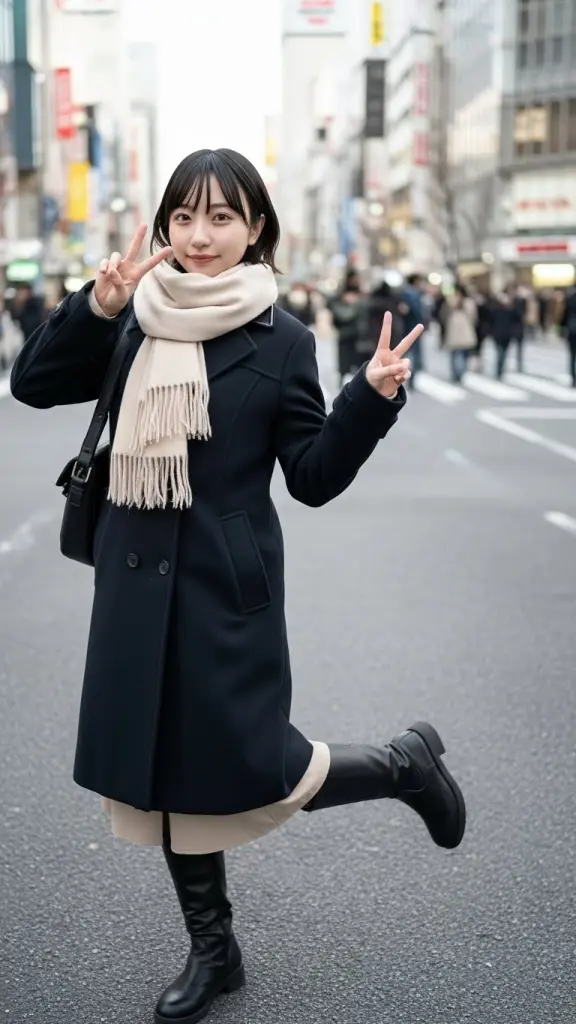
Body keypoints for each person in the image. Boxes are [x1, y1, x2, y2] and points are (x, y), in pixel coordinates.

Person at [10, 148, 466, 1024]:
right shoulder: (136, 317)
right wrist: (94, 307)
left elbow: (313, 475)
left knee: (259, 767)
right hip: (134, 585)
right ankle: (213, 949)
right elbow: (32, 385)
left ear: (256, 227)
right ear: (164, 227)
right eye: (183, 216)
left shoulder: (282, 340)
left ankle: (405, 765)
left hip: (224, 591)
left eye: (220, 217)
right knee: (161, 772)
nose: (199, 235)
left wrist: (367, 398)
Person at [328, 268, 366, 385]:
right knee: (344, 358)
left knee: (358, 358)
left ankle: (358, 380)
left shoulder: (361, 293)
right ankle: (342, 377)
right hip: (345, 331)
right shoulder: (341, 293)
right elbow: (334, 307)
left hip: (358, 332)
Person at [442, 284, 477, 383]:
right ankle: (459, 372)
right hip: (466, 331)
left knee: (455, 354)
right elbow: (473, 317)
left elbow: (443, 316)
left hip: (453, 332)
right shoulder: (469, 303)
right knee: (462, 354)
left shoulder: (449, 302)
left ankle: (456, 373)